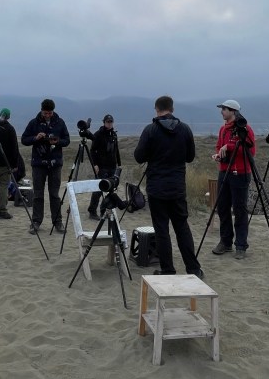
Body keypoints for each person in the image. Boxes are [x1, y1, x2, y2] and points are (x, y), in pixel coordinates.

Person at [134, 96, 203, 278]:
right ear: (172, 109)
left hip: (156, 187)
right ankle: (193, 269)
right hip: (177, 187)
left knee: (162, 230)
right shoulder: (185, 129)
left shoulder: (150, 130)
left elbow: (139, 157)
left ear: (156, 109)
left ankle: (168, 270)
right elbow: (190, 157)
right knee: (182, 227)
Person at [212, 99, 256, 260]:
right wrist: (218, 154)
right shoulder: (223, 129)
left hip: (241, 173)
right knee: (222, 208)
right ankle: (225, 242)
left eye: (224, 109)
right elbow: (219, 146)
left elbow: (251, 151)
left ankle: (241, 245)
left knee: (239, 210)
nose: (221, 111)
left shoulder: (245, 129)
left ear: (233, 111)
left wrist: (229, 147)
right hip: (224, 171)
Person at [21, 99, 70, 234]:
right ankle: (36, 222)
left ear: (53, 111)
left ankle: (57, 222)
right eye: (45, 113)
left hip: (55, 164)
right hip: (38, 164)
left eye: (49, 113)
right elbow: (24, 139)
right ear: (41, 110)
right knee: (38, 194)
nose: (47, 115)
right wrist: (35, 138)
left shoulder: (60, 122)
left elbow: (67, 140)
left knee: (54, 194)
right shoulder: (34, 122)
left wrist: (57, 141)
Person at [88, 114, 121, 216]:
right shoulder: (98, 134)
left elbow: (116, 150)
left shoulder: (114, 134)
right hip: (102, 167)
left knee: (110, 189)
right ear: (104, 122)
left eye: (111, 122)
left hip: (112, 166)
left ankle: (104, 211)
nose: (109, 123)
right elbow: (92, 150)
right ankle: (92, 211)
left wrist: (119, 164)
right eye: (107, 122)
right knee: (98, 189)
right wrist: (95, 164)